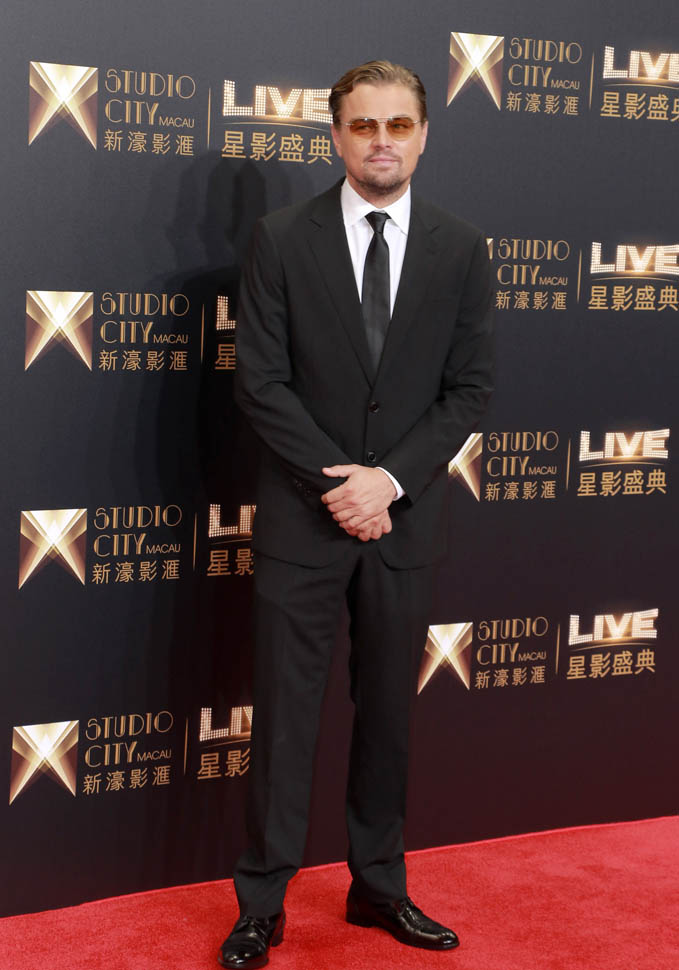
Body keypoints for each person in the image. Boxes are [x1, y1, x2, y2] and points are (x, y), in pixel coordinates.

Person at [219, 60, 493, 969]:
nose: (382, 141)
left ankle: (378, 886)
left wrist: (389, 483)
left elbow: (468, 390)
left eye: (398, 125)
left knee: (386, 719)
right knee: (283, 718)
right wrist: (342, 485)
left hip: (401, 524)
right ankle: (261, 904)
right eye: (364, 125)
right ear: (335, 136)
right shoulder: (279, 238)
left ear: (423, 135)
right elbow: (260, 382)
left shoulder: (461, 247)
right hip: (303, 520)